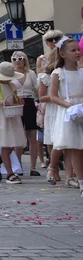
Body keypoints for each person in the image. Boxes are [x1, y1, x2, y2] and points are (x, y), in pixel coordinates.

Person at [45, 37, 83, 195]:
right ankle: (81, 183)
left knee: (80, 148)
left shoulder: (81, 71)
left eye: (78, 49)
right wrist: (69, 105)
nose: (77, 52)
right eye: (73, 50)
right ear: (63, 54)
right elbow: (53, 96)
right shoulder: (58, 73)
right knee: (75, 148)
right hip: (68, 112)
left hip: (81, 109)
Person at [10, 50, 42, 176]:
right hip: (16, 103)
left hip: (29, 102)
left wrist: (40, 103)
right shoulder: (11, 74)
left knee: (32, 135)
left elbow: (36, 89)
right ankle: (18, 166)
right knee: (18, 135)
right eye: (14, 59)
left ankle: (33, 167)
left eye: (20, 58)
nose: (17, 61)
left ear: (25, 60)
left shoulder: (30, 73)